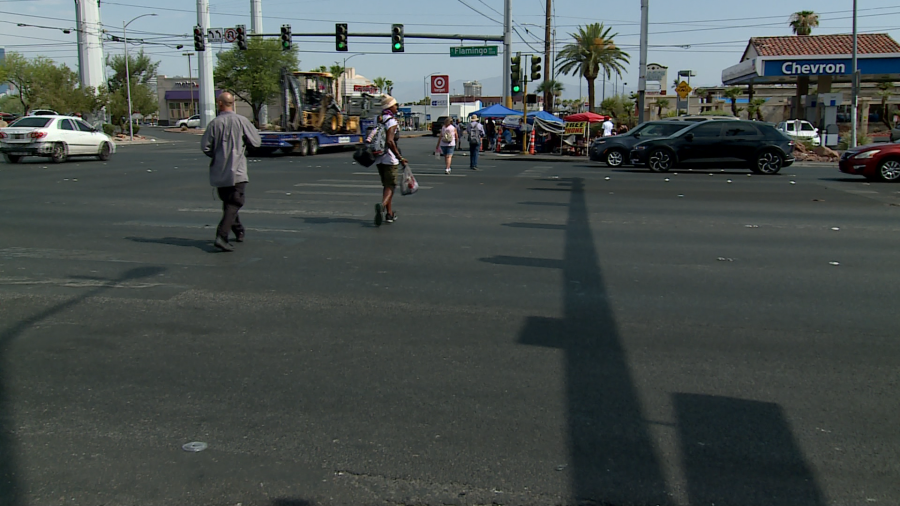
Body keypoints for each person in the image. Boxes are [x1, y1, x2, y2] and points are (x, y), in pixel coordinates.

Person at [201, 91, 262, 252]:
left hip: (220, 171)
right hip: (237, 171)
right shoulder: (242, 121)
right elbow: (256, 142)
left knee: (229, 202)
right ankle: (222, 235)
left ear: (220, 103)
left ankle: (238, 229)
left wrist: (218, 155)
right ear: (232, 103)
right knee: (235, 202)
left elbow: (205, 147)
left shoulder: (214, 124)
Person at [374, 95, 407, 226]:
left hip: (379, 158)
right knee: (391, 186)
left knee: (387, 186)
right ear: (389, 107)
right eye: (395, 105)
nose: (396, 107)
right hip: (389, 158)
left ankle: (389, 214)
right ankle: (382, 206)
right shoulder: (391, 122)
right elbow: (390, 141)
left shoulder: (379, 119)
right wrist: (400, 157)